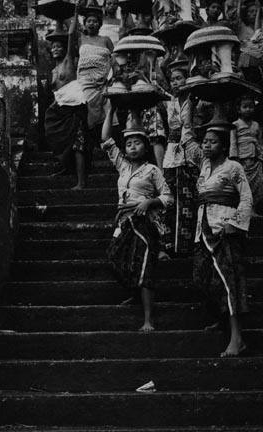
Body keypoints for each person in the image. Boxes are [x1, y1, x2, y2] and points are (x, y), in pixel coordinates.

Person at [183, 106, 253, 358]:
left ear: (223, 146)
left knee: (228, 281)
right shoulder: (203, 166)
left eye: (212, 142)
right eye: (205, 142)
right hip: (203, 229)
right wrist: (186, 104)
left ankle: (237, 338)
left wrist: (234, 223)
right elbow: (186, 138)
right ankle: (221, 318)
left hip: (224, 229)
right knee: (202, 279)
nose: (207, 145)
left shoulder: (233, 167)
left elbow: (246, 197)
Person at [101, 104, 174, 332]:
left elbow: (168, 197)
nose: (133, 147)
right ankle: (134, 292)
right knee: (114, 257)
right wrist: (111, 109)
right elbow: (105, 139)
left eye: (137, 143)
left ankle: (148, 319)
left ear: (145, 146)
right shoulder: (122, 166)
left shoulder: (152, 170)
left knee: (144, 266)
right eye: (129, 144)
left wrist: (148, 202)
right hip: (123, 220)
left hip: (144, 222)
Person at [44, 2, 89, 189]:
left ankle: (81, 182)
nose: (55, 49)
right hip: (60, 112)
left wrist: (76, 12)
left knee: (78, 145)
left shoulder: (69, 61)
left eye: (58, 46)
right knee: (55, 137)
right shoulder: (53, 70)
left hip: (74, 110)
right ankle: (65, 166)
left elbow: (71, 36)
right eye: (53, 47)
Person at [163, 61, 199, 255]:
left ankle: (187, 245)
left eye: (179, 78)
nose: (175, 83)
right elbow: (172, 127)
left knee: (189, 200)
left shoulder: (194, 100)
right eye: (172, 80)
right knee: (171, 200)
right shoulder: (171, 102)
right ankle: (170, 245)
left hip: (190, 151)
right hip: (172, 152)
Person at [77, 5, 114, 136]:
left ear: (100, 24)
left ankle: (107, 141)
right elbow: (71, 32)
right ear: (85, 24)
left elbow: (114, 60)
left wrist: (111, 79)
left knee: (109, 109)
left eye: (95, 21)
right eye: (89, 21)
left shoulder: (106, 40)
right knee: (86, 109)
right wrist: (76, 11)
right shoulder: (81, 39)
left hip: (104, 82)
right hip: (86, 82)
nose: (92, 24)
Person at [230, 94, 263, 211]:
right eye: (245, 107)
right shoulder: (235, 125)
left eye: (251, 106)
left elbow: (260, 142)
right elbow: (233, 143)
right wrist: (234, 159)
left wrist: (262, 155)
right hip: (242, 159)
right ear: (238, 109)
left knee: (257, 184)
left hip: (256, 158)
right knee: (244, 185)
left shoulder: (256, 125)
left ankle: (254, 209)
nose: (248, 109)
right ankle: (245, 209)